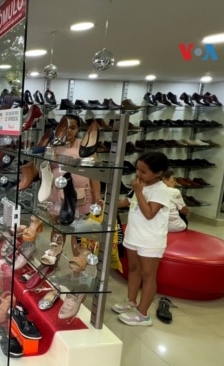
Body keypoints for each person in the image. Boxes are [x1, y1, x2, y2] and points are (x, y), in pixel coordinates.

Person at [113, 152, 170, 326]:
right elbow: (128, 202)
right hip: (133, 236)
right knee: (134, 269)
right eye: (137, 169)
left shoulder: (161, 190)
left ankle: (143, 314)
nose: (138, 174)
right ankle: (131, 302)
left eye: (143, 172)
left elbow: (149, 213)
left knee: (148, 275)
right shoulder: (140, 185)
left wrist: (138, 191)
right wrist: (106, 202)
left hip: (150, 240)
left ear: (158, 173)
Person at [49, 115, 102, 256]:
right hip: (57, 194)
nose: (69, 131)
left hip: (82, 195)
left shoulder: (86, 147)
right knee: (58, 229)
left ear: (78, 129)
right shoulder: (54, 147)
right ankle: (53, 261)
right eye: (66, 127)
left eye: (73, 127)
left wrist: (98, 197)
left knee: (78, 233)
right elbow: (47, 173)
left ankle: (77, 267)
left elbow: (94, 175)